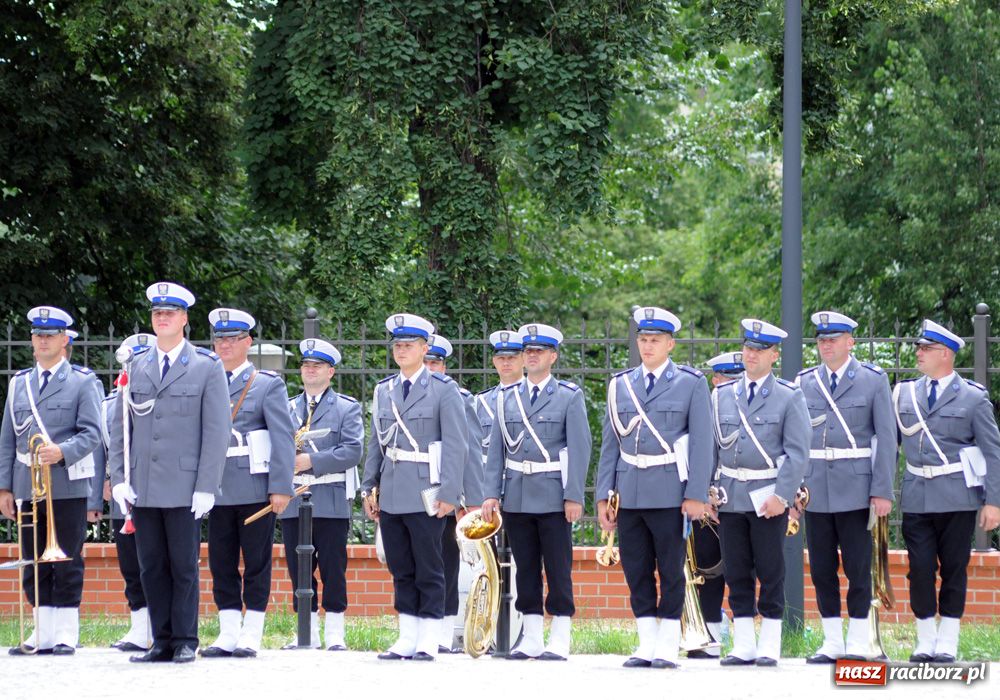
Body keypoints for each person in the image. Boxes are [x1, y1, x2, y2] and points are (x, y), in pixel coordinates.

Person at [108, 282, 231, 663]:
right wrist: (119, 478)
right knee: (151, 566)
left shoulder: (205, 366)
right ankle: (160, 640)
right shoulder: (136, 364)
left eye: (170, 313)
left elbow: (216, 430)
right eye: (157, 313)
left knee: (183, 565)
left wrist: (206, 485)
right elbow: (120, 427)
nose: (163, 318)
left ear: (184, 319)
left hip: (183, 485)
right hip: (143, 485)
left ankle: (185, 640)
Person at [596, 307, 712, 669]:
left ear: (670, 343)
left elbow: (702, 443)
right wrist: (604, 495)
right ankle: (645, 641)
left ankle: (667, 642)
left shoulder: (691, 383)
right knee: (636, 567)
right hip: (629, 490)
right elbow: (611, 443)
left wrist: (696, 494)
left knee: (671, 567)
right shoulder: (621, 384)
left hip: (670, 490)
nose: (647, 346)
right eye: (643, 339)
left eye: (655, 340)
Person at [360, 313, 469, 661]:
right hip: (391, 491)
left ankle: (428, 637)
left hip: (427, 491)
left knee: (430, 566)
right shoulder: (384, 390)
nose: (402, 350)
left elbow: (456, 445)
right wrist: (368, 487)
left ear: (425, 348)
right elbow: (377, 443)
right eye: (398, 345)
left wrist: (450, 494)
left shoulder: (443, 390)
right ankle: (407, 635)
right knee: (401, 566)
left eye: (409, 345)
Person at [481, 323, 592, 661]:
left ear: (553, 356)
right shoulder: (506, 398)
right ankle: (531, 636)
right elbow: (497, 450)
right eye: (527, 351)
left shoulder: (568, 396)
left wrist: (574, 495)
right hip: (517, 494)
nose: (531, 356)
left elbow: (580, 446)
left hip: (553, 495)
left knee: (558, 567)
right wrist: (491, 493)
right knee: (525, 567)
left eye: (538, 351)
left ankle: (560, 635)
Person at [894, 320, 1000, 663]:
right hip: (917, 494)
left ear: (945, 354)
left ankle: (949, 639)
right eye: (918, 348)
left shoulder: (972, 397)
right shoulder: (905, 392)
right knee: (920, 567)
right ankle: (925, 638)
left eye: (925, 349)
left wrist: (993, 501)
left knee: (954, 566)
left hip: (957, 497)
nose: (918, 354)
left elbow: (992, 451)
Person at [1, 306, 101, 655]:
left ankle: (65, 633)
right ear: (32, 340)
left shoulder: (82, 381)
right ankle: (41, 631)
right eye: (38, 335)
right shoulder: (19, 384)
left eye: (50, 335)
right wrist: (4, 487)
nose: (42, 340)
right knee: (32, 558)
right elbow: (7, 441)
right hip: (28, 483)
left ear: (64, 340)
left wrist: (63, 450)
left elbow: (92, 434)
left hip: (67, 482)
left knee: (66, 557)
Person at [797, 311, 895, 662]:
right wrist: (795, 489)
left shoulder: (872, 380)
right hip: (816, 489)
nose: (826, 345)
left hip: (856, 489)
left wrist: (882, 490)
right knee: (822, 569)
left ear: (850, 342)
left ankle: (857, 642)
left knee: (857, 568)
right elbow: (795, 441)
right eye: (822, 339)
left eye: (833, 339)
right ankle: (832, 642)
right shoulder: (805, 382)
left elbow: (886, 437)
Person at [711, 319, 810, 666]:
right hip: (731, 496)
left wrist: (782, 497)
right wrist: (711, 489)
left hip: (768, 495)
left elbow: (798, 451)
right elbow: (712, 448)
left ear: (774, 355)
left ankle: (769, 642)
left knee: (770, 569)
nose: (751, 355)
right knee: (736, 570)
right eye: (748, 348)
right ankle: (743, 644)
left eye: (759, 349)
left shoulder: (788, 395)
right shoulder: (722, 395)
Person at [200, 308, 295, 658]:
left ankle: (251, 631)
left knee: (256, 561)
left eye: (232, 339)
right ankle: (227, 632)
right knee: (220, 562)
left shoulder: (266, 384)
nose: (224, 344)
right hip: (215, 487)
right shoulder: (205, 380)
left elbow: (282, 437)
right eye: (219, 339)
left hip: (255, 487)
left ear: (247, 342)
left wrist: (281, 486)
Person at [278, 338, 363, 650]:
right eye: (306, 365)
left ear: (331, 372)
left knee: (332, 567)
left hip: (329, 498)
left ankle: (335, 634)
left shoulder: (345, 408)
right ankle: (307, 633)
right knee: (297, 568)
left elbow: (353, 451)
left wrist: (310, 461)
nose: (310, 370)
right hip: (294, 498)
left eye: (317, 366)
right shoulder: (286, 408)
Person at [421, 333, 485, 653]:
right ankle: (418, 629)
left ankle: (445, 631)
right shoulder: (405, 394)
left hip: (447, 493)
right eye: (426, 361)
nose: (430, 368)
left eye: (435, 362)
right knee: (416, 561)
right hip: (414, 491)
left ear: (444, 366)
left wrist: (469, 500)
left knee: (445, 562)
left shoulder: (458, 396)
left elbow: (471, 451)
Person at [94, 333, 155, 651]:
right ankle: (139, 626)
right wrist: (101, 490)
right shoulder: (108, 404)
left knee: (157, 562)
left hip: (157, 493)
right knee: (130, 564)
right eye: (131, 359)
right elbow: (102, 451)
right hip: (122, 497)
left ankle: (161, 627)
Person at [685, 350, 746, 659]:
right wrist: (704, 496)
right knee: (707, 570)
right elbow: (696, 454)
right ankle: (707, 635)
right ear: (715, 380)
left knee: (741, 570)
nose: (731, 386)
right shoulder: (703, 409)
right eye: (725, 380)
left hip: (742, 501)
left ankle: (744, 637)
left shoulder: (751, 408)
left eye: (737, 378)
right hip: (708, 503)